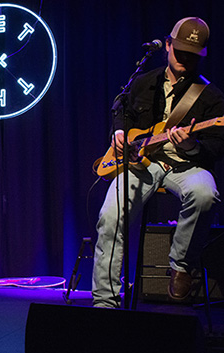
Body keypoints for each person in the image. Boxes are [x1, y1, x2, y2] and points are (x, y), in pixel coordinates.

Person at [92, 17, 224, 308]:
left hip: (187, 165)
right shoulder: (143, 82)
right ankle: (105, 302)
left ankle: (181, 265)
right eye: (180, 53)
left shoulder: (212, 97)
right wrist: (118, 132)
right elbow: (120, 108)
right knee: (110, 215)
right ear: (167, 45)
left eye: (193, 55)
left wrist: (192, 145)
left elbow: (216, 147)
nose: (185, 60)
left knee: (205, 194)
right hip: (144, 164)